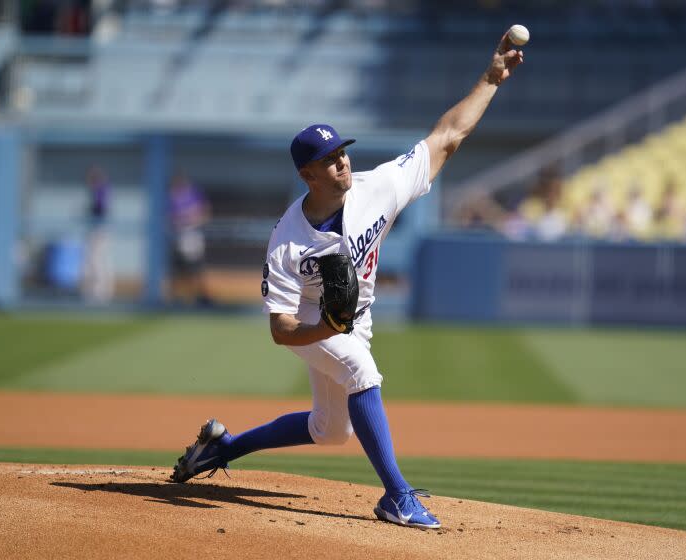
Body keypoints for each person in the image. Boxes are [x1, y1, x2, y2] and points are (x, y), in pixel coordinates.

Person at [170, 29, 523, 529]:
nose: (342, 161)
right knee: (362, 372)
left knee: (330, 430)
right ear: (307, 175)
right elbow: (281, 329)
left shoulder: (375, 188)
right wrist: (327, 329)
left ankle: (222, 448)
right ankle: (397, 496)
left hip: (353, 318)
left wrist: (490, 79)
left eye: (343, 152)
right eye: (329, 159)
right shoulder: (287, 241)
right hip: (314, 323)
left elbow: (447, 137)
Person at [167, 173, 212, 304]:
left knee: (196, 269)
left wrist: (190, 218)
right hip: (178, 236)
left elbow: (205, 213)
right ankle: (177, 298)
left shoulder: (194, 194)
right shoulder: (172, 196)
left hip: (193, 236)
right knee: (178, 270)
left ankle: (199, 297)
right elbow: (169, 218)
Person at [81, 166, 114, 303]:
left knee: (97, 259)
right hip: (98, 227)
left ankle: (100, 292)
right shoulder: (99, 189)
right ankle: (99, 291)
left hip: (99, 227)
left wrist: (88, 210)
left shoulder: (101, 189)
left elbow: (101, 208)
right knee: (95, 259)